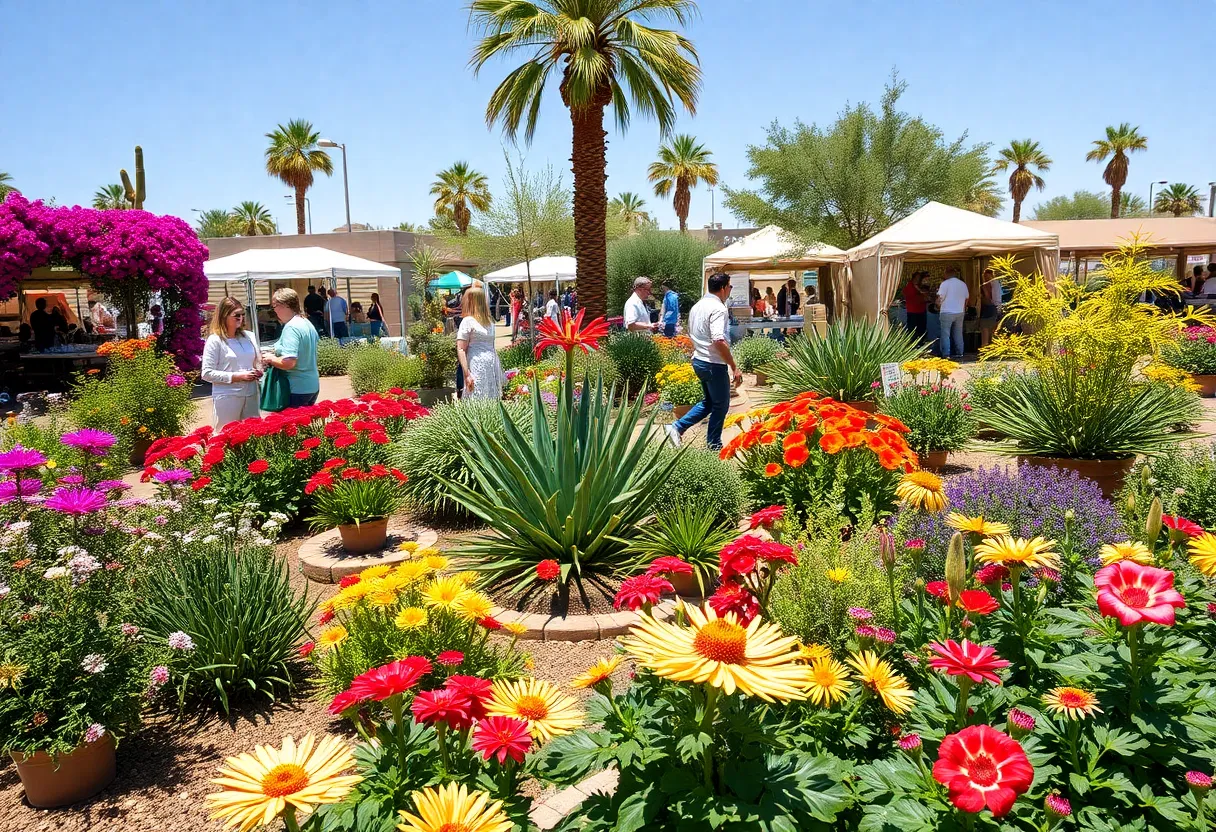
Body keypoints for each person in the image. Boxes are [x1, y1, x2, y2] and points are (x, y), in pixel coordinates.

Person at [664, 272, 743, 451]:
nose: (730, 290)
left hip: (699, 360)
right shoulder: (719, 309)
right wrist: (734, 366)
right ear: (723, 288)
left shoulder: (698, 306)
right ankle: (714, 445)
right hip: (712, 363)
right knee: (721, 406)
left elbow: (693, 333)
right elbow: (718, 340)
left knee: (709, 402)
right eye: (730, 287)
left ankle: (676, 427)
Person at [201, 296, 262, 428]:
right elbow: (206, 373)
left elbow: (257, 361)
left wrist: (259, 370)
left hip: (251, 393)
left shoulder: (249, 336)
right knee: (226, 434)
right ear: (224, 316)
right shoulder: (215, 340)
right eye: (236, 315)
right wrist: (236, 376)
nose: (240, 318)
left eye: (242, 314)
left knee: (253, 433)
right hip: (228, 396)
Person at [261, 288, 320, 408]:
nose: (274, 311)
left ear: (285, 305)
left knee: (289, 425)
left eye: (275, 306)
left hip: (296, 388)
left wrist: (270, 359)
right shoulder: (306, 322)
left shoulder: (291, 327)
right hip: (311, 385)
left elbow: (289, 362)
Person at [456, 283, 504, 401]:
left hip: (484, 364)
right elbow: (461, 349)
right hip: (484, 364)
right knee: (481, 395)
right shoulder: (486, 322)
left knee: (483, 396)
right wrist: (467, 374)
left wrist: (466, 374)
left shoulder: (476, 321)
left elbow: (461, 348)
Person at [937, 267, 969, 359]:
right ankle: (960, 352)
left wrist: (938, 305)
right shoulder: (962, 284)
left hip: (947, 311)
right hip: (959, 311)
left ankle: (946, 354)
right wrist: (964, 309)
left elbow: (940, 297)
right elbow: (967, 298)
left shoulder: (945, 284)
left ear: (946, 274)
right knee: (958, 333)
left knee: (945, 334)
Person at [978, 268, 1002, 348]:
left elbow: (987, 297)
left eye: (986, 277)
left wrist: (981, 297)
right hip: (998, 307)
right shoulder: (997, 283)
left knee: (984, 328)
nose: (985, 278)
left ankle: (984, 347)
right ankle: (992, 348)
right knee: (993, 329)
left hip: (989, 307)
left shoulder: (986, 285)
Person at [903, 272, 930, 342]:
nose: (918, 279)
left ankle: (921, 343)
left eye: (919, 278)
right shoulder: (910, 286)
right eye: (917, 278)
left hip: (921, 311)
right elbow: (913, 298)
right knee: (913, 330)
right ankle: (913, 345)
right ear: (913, 278)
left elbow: (926, 296)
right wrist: (923, 296)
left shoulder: (920, 286)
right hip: (913, 311)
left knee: (922, 329)